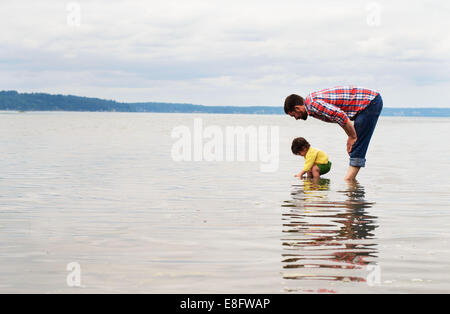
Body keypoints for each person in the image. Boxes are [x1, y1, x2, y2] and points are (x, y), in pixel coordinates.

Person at [284, 86, 383, 181]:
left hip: (369, 102)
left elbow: (340, 116)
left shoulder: (313, 105)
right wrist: (350, 136)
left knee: (358, 144)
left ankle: (349, 181)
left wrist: (352, 136)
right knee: (355, 144)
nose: (296, 118)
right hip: (367, 102)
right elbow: (340, 117)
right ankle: (351, 182)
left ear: (297, 108)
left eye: (294, 115)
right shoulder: (311, 103)